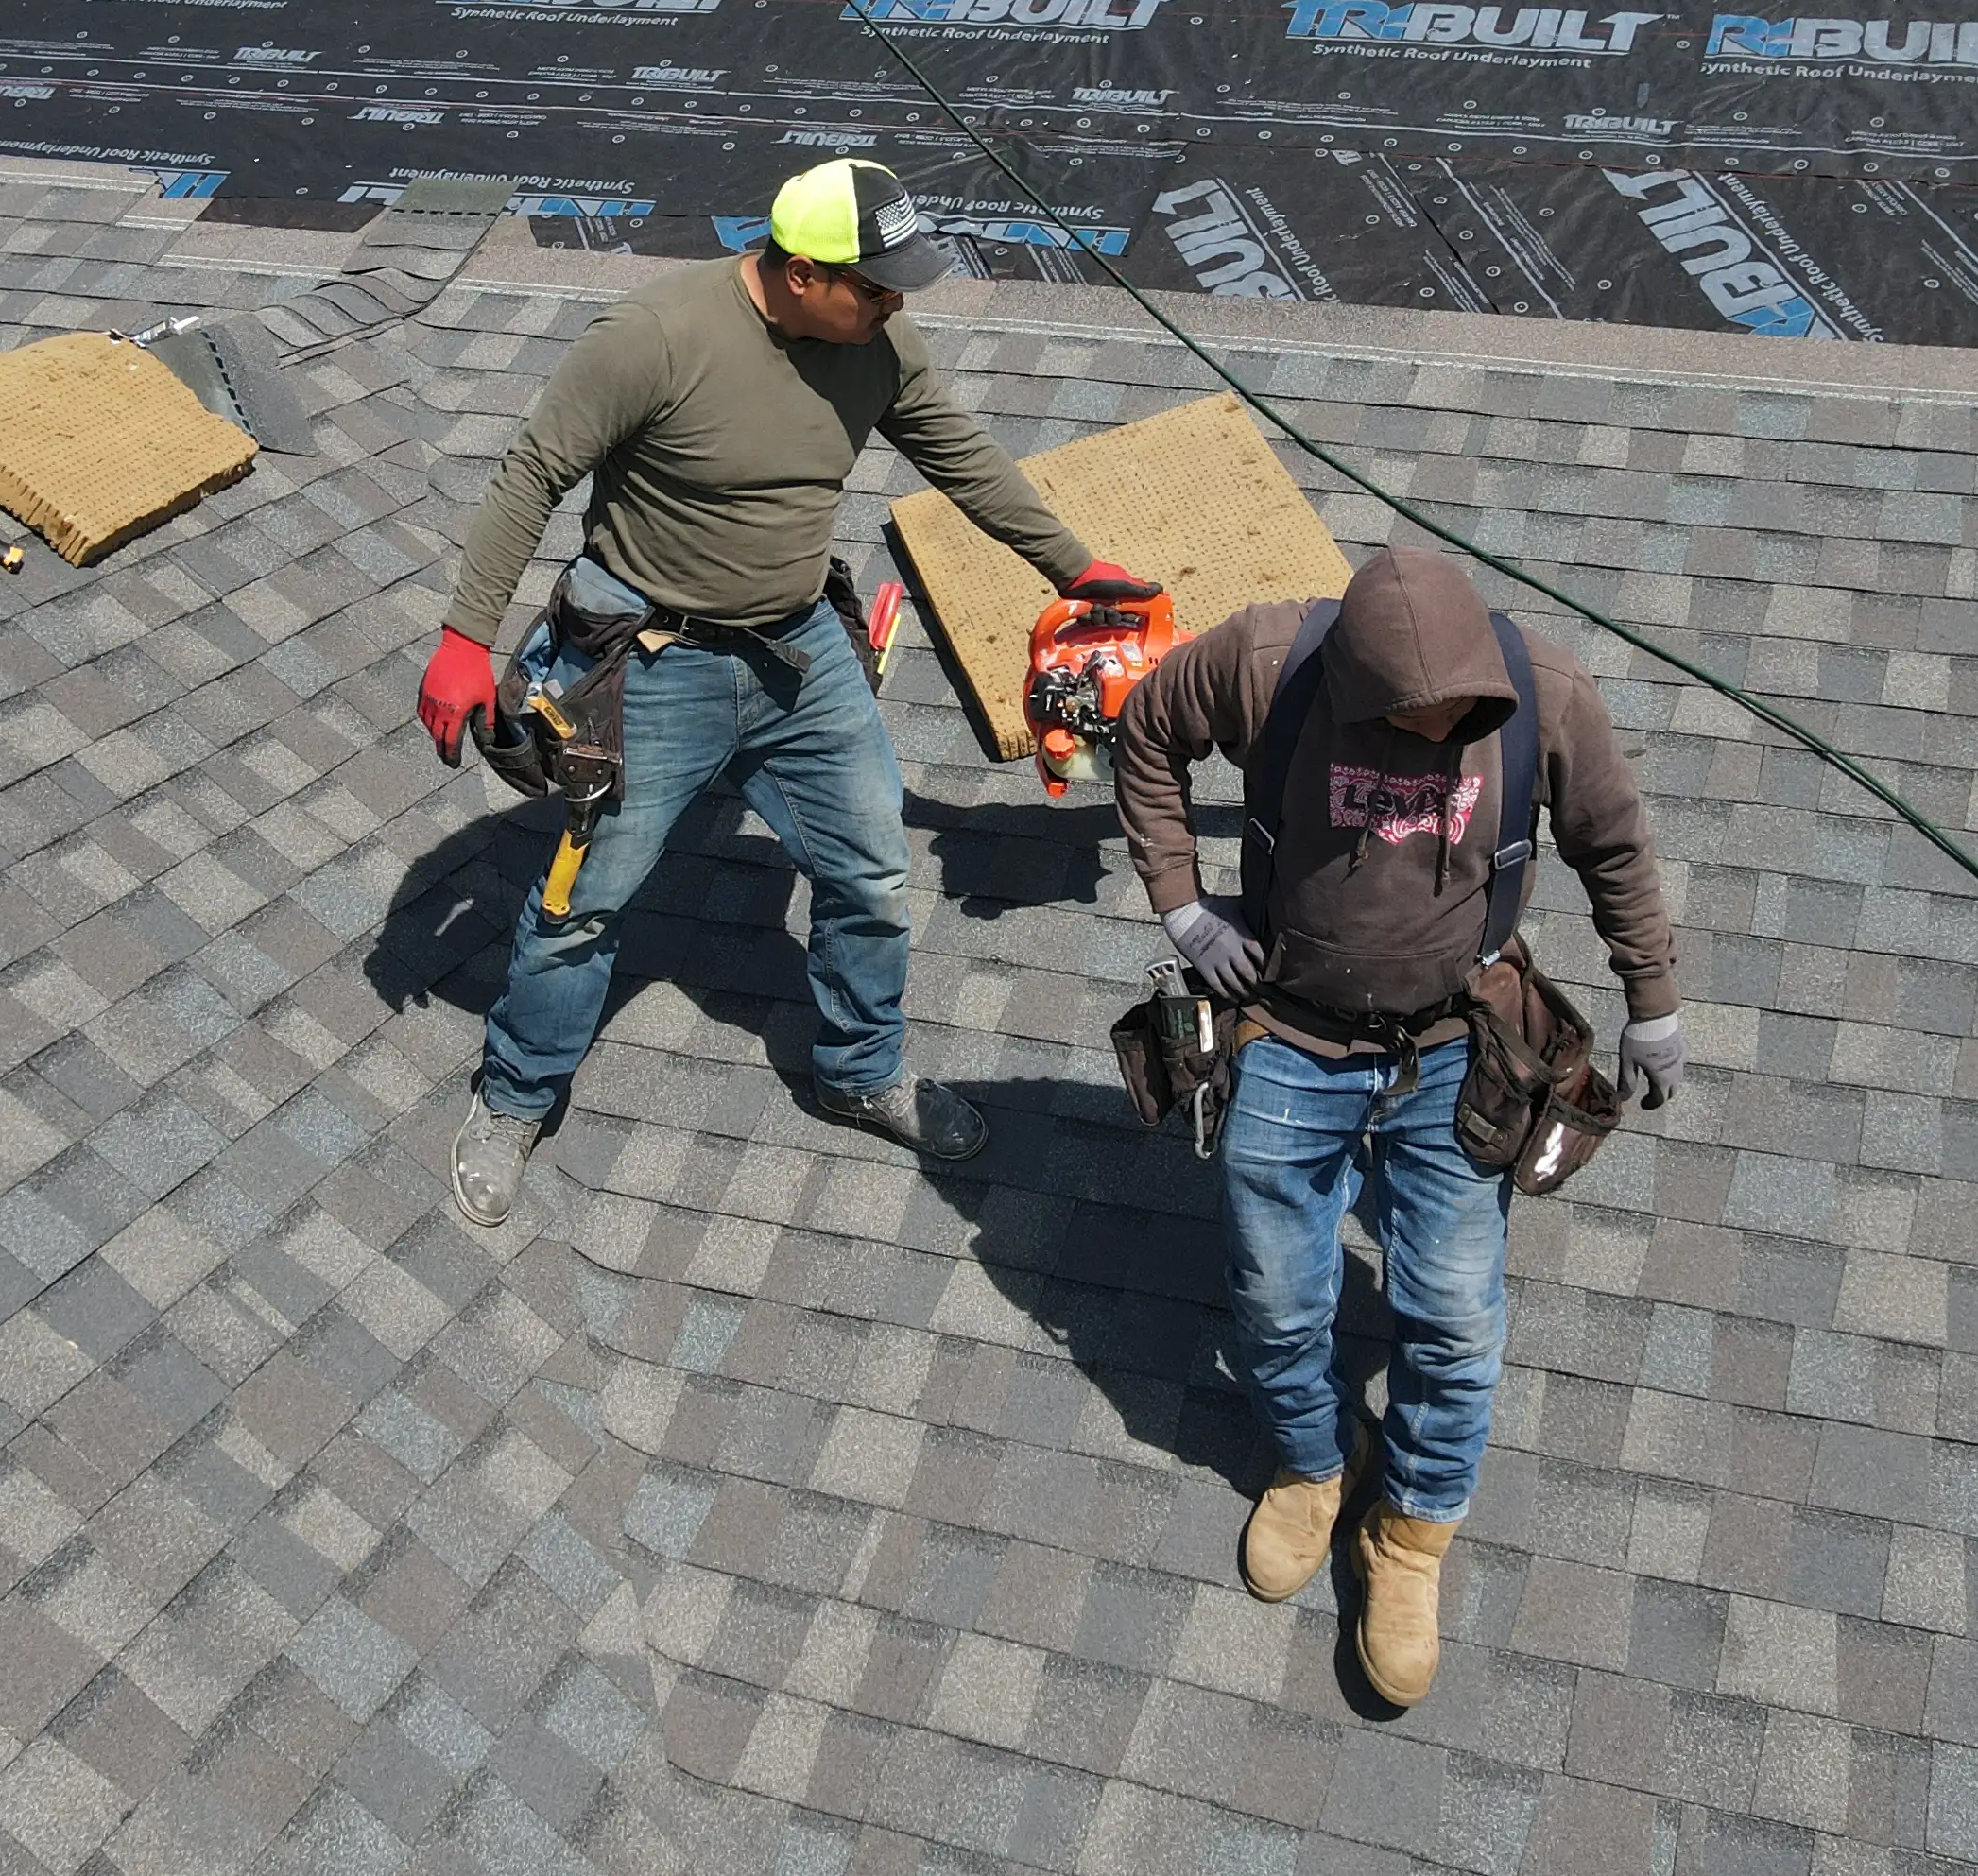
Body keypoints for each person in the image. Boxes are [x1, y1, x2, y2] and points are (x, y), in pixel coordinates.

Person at [415, 156, 1145, 1228]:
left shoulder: (877, 344)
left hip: (797, 658)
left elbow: (964, 459)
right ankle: (516, 1095)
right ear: (802, 274)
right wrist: (463, 639)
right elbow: (532, 472)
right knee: (584, 903)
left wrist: (1073, 567)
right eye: (875, 285)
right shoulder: (656, 339)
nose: (896, 304)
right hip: (654, 664)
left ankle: (858, 1070)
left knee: (872, 873)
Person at [1109, 546, 1685, 1710]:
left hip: (1450, 1044)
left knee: (1455, 1311)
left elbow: (1613, 846)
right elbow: (1144, 732)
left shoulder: (1545, 694)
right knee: (1275, 1289)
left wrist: (1654, 1000)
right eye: (1405, 720)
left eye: (1455, 718)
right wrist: (1178, 902)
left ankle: (1410, 1534)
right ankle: (1320, 1463)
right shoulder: (1269, 664)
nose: (1435, 733)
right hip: (1288, 1027)